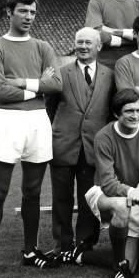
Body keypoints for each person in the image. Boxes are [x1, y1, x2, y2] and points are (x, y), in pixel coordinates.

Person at [0, 0, 62, 275]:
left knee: (33, 191)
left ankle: (29, 250)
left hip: (38, 121)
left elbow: (56, 85)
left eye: (33, 12)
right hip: (7, 121)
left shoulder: (43, 47)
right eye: (23, 11)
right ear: (9, 13)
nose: (28, 17)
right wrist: (37, 86)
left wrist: (21, 85)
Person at [76, 89, 139, 278]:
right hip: (104, 193)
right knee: (122, 206)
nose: (135, 115)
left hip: (137, 195)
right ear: (117, 113)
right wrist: (137, 192)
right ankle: (119, 266)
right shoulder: (104, 136)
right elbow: (108, 183)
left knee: (133, 264)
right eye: (129, 111)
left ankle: (83, 255)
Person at [46, 27, 114, 261]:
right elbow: (50, 108)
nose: (83, 46)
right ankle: (62, 244)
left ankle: (85, 243)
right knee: (61, 198)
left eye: (88, 42)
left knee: (89, 198)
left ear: (99, 46)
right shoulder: (61, 73)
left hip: (94, 147)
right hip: (63, 145)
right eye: (79, 42)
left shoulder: (110, 75)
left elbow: (110, 113)